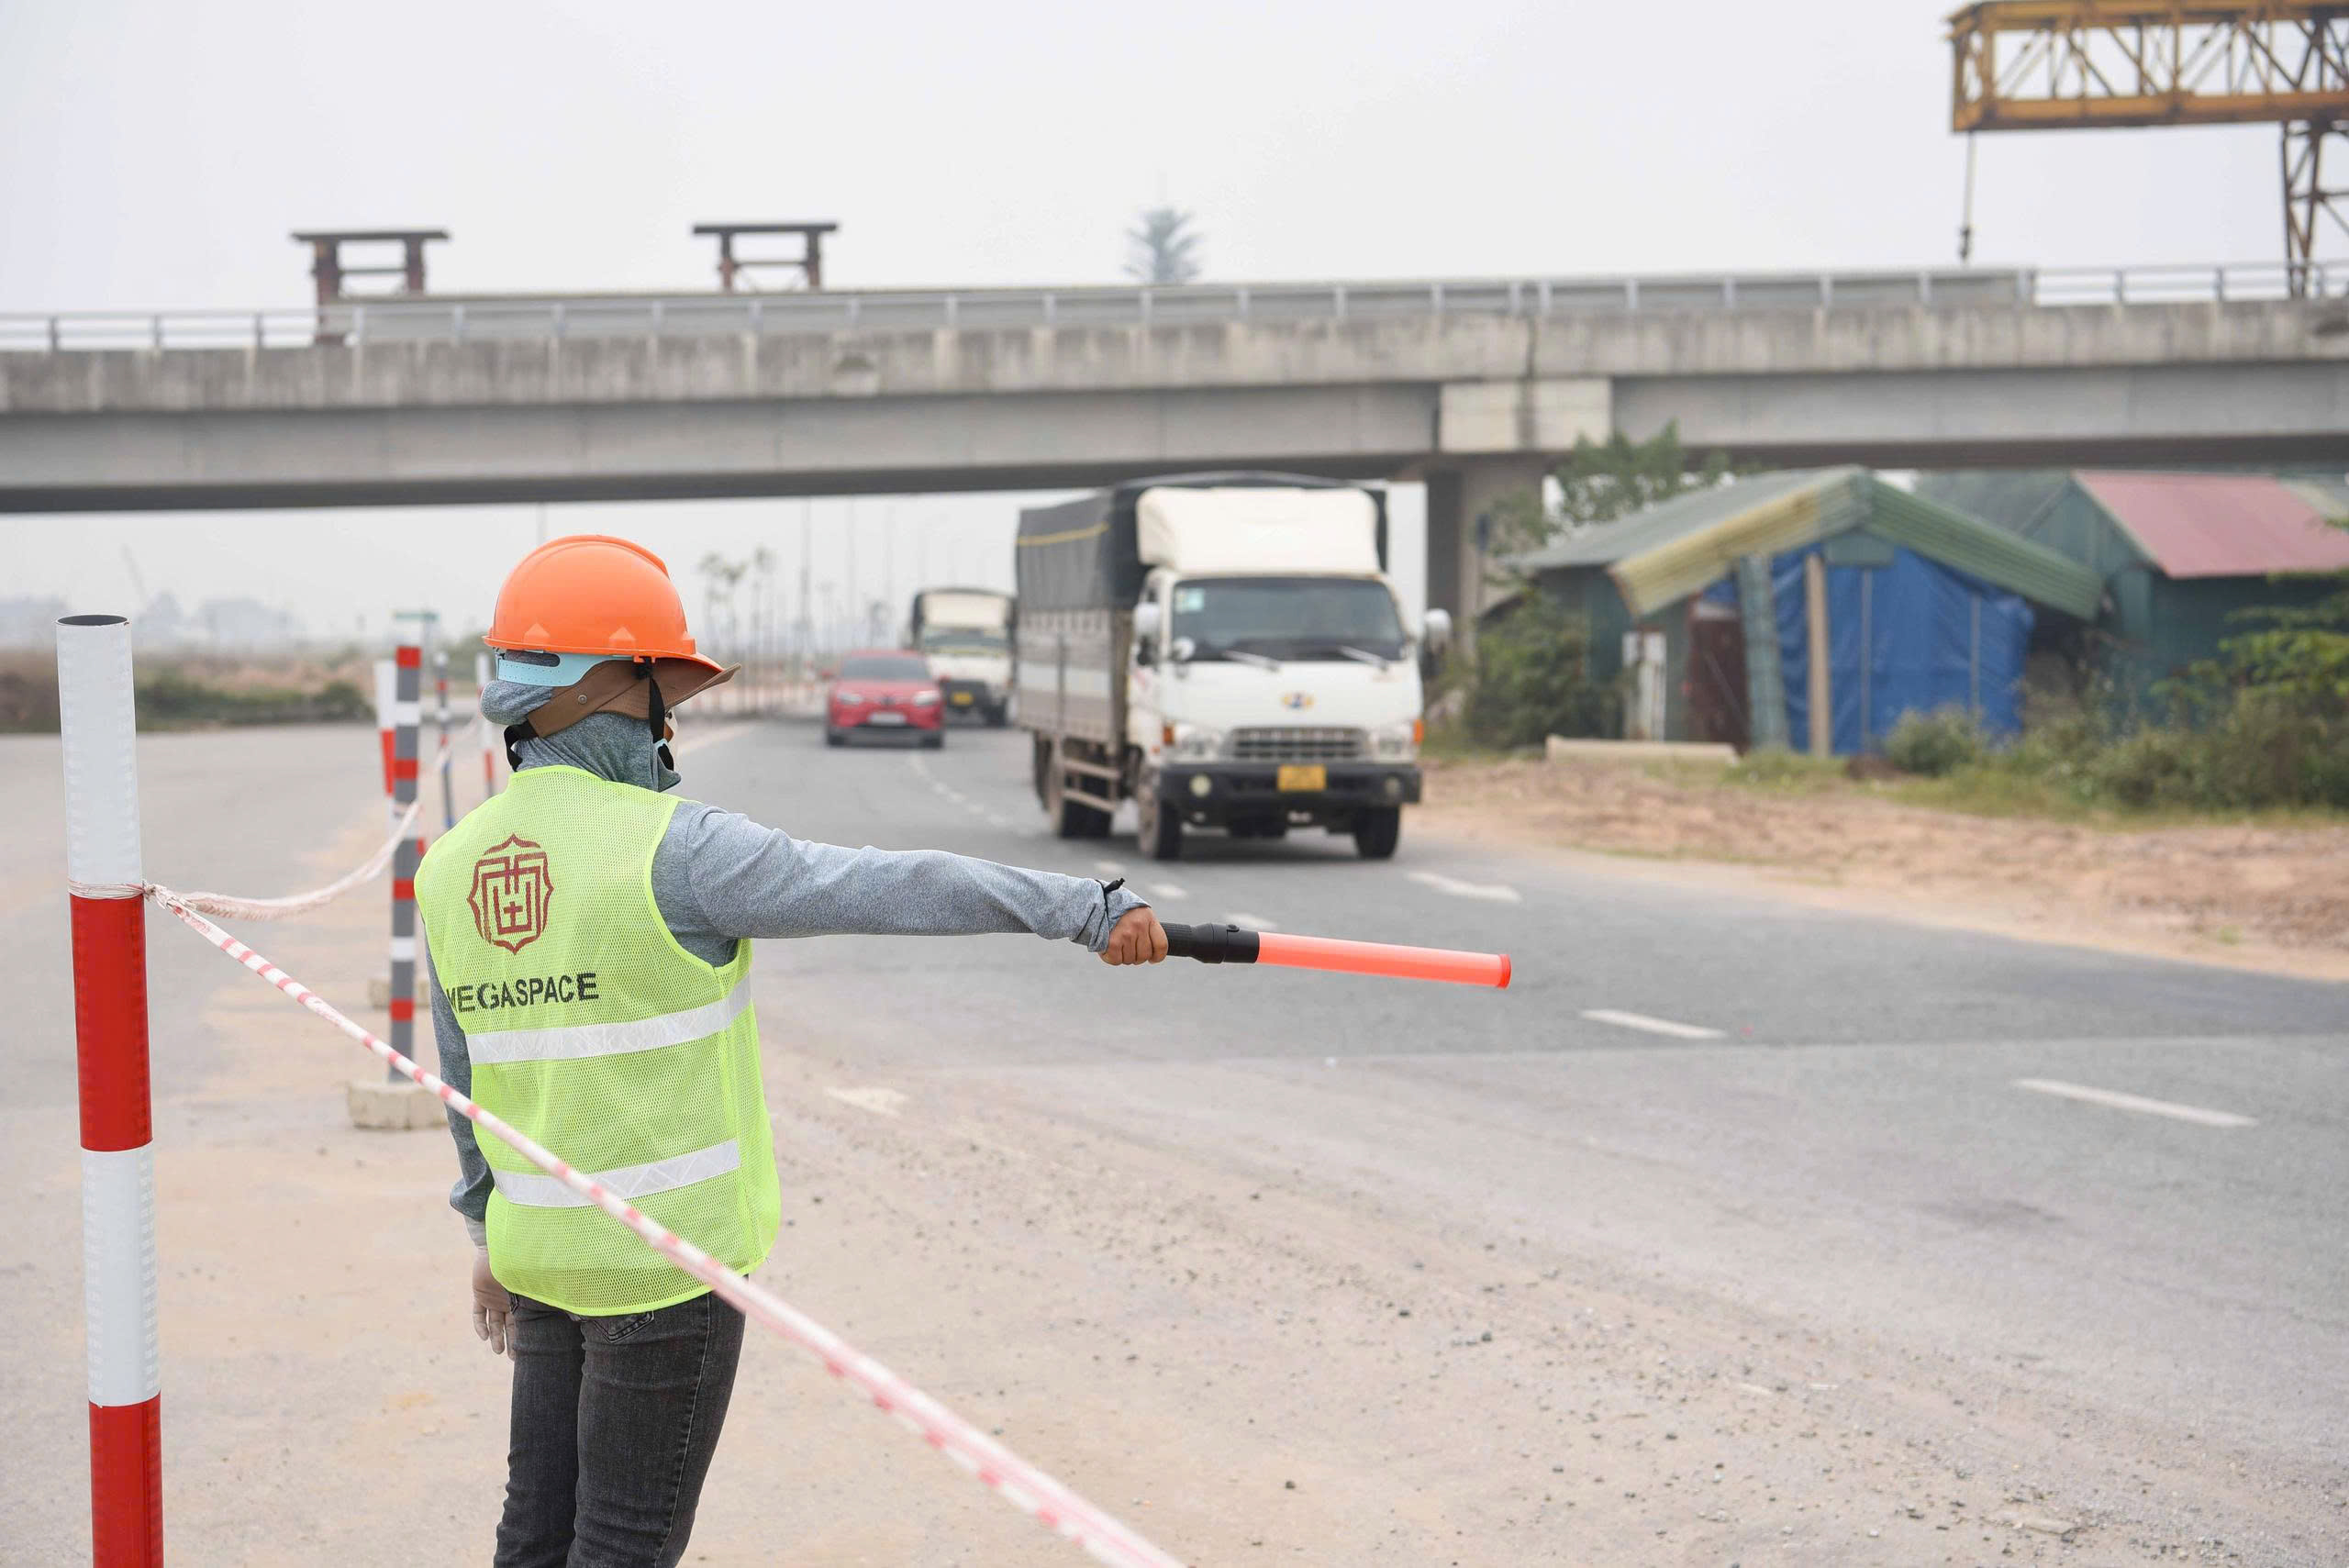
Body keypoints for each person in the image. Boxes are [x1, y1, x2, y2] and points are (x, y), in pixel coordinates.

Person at [415, 535, 1165, 1568]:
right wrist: (1082, 906)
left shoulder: (449, 867)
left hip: (539, 1253)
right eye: (658, 692)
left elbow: (464, 1094)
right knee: (622, 1546)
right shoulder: (676, 850)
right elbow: (889, 885)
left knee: (533, 1538)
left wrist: (483, 1241)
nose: (666, 721)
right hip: (662, 1268)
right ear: (605, 688)